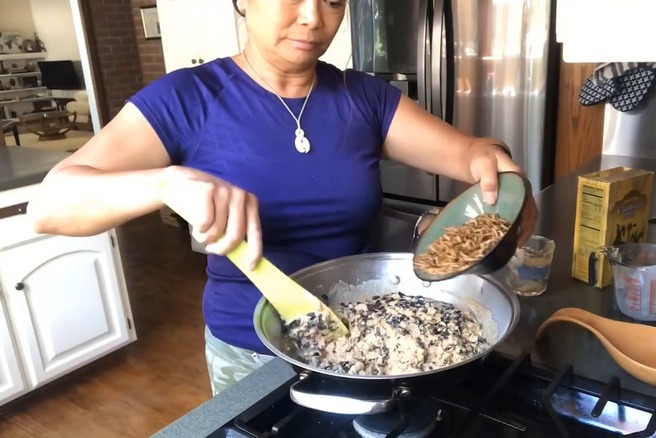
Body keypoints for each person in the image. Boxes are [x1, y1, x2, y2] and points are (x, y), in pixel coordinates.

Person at [26, 0, 538, 396]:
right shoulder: (187, 98)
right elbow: (51, 206)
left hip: (367, 336)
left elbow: (472, 153)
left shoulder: (364, 97)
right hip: (249, 354)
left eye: (334, 0)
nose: (313, 18)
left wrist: (498, 164)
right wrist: (165, 182)